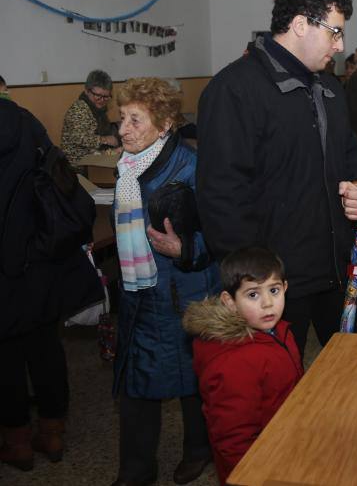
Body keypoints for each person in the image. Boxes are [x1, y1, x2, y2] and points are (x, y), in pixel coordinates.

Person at [196, 0, 357, 360]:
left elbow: (353, 159)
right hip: (273, 285)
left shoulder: (331, 89)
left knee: (348, 374)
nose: (340, 46)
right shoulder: (234, 90)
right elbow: (222, 197)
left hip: (334, 271)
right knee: (272, 394)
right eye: (335, 33)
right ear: (300, 24)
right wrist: (257, 285)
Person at [111, 77, 219, 486]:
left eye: (135, 120)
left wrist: (186, 249)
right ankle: (135, 472)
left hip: (183, 292)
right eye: (121, 119)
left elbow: (219, 232)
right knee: (137, 381)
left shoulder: (190, 168)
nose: (123, 130)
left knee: (192, 378)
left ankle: (198, 450)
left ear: (165, 123)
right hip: (139, 292)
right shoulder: (126, 169)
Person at [0, 97, 103, 471]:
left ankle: (17, 442)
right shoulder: (25, 121)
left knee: (6, 358)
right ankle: (52, 430)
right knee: (46, 347)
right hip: (41, 255)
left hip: (4, 267)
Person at [183, 247, 303, 485]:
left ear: (285, 288)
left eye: (274, 290)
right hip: (260, 468)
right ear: (229, 301)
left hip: (286, 442)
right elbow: (232, 439)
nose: (268, 303)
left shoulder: (277, 330)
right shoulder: (232, 363)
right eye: (252, 295)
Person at [61, 69, 119, 166]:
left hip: (92, 159)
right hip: (78, 165)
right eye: (97, 96)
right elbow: (78, 138)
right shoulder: (79, 110)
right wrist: (105, 139)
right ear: (87, 91)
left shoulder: (97, 108)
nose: (102, 100)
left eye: (106, 97)